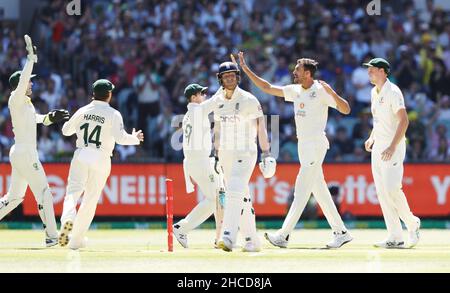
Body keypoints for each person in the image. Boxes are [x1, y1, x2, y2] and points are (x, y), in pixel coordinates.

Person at [237, 51, 352, 248]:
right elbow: (267, 87)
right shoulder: (296, 90)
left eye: (297, 70)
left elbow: (346, 109)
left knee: (301, 192)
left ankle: (283, 235)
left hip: (315, 144)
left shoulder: (321, 90)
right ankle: (341, 232)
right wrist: (246, 69)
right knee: (320, 191)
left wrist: (332, 93)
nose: (294, 72)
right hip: (304, 145)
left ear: (308, 73)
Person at [0, 35, 69, 247]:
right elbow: (22, 82)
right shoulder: (16, 97)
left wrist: (50, 118)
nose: (31, 83)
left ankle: (50, 235)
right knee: (44, 192)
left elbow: (37, 120)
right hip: (25, 153)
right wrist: (31, 59)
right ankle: (51, 236)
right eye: (29, 80)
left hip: (21, 152)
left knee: (15, 197)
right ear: (20, 84)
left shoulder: (26, 104)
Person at [58, 79, 144, 250]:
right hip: (102, 157)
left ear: (93, 94)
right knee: (90, 200)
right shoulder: (113, 113)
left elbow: (66, 130)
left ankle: (68, 219)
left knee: (72, 194)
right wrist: (135, 138)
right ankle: (76, 240)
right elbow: (120, 139)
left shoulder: (83, 110)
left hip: (82, 153)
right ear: (109, 95)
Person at [213, 61, 276, 252]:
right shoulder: (218, 101)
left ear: (238, 77)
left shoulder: (249, 100)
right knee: (242, 196)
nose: (230, 78)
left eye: (233, 75)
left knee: (234, 190)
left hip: (245, 152)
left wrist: (266, 153)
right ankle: (252, 240)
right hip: (225, 154)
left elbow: (261, 127)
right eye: (226, 76)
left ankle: (228, 236)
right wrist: (215, 154)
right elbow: (217, 130)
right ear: (221, 80)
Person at [363, 58, 420, 248]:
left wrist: (393, 146)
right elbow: (378, 121)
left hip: (392, 147)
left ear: (382, 71)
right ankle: (395, 236)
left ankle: (412, 223)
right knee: (382, 192)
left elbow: (404, 121)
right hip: (379, 146)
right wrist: (371, 137)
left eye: (371, 70)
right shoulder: (373, 92)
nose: (369, 73)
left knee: (392, 189)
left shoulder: (393, 92)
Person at [172, 83, 225, 248]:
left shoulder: (191, 113)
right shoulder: (197, 110)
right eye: (201, 94)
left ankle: (220, 237)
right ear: (194, 98)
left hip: (196, 161)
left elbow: (213, 100)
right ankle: (182, 227)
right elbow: (216, 100)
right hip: (200, 161)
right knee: (214, 200)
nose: (204, 96)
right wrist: (227, 82)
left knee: (217, 198)